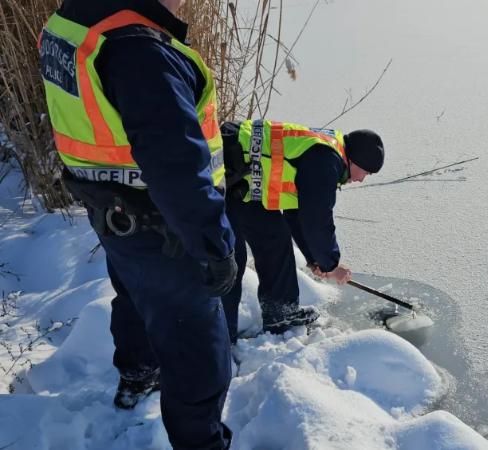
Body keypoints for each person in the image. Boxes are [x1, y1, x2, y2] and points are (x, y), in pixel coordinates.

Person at [39, 0, 236, 448]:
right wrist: (214, 244)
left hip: (113, 211)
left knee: (133, 293)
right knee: (199, 355)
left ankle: (138, 375)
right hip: (164, 225)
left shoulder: (76, 19)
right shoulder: (140, 49)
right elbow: (176, 167)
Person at [220, 120, 384, 342]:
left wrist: (314, 259)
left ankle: (281, 314)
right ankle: (219, 339)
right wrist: (330, 265)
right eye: (364, 172)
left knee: (275, 237)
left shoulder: (327, 151)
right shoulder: (326, 162)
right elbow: (316, 221)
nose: (360, 179)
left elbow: (297, 213)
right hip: (223, 173)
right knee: (230, 261)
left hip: (244, 185)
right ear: (353, 159)